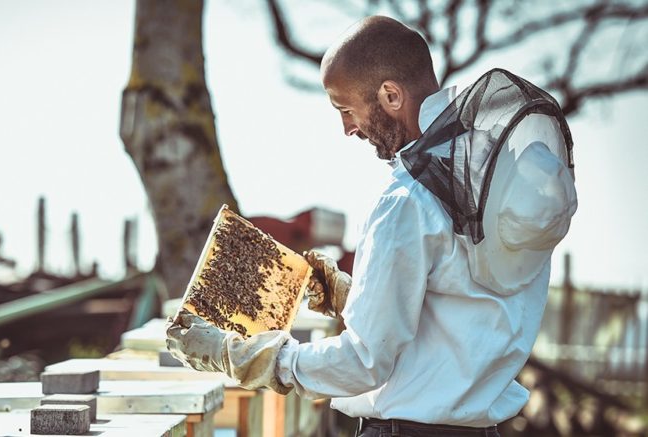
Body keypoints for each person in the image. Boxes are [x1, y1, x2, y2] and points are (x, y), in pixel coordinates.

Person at [166, 15, 577, 437]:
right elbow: (466, 308)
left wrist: (240, 356)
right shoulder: (499, 184)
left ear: (390, 94)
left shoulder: (407, 200)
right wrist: (352, 297)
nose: (346, 128)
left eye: (345, 109)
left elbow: (363, 362)